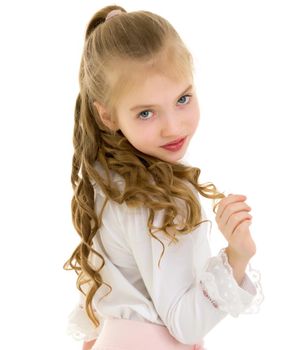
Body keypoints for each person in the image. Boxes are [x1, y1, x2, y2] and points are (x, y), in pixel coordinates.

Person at [63, 5, 263, 350]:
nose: (173, 126)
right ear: (107, 115)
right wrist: (237, 255)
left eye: (183, 98)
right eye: (146, 112)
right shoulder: (152, 199)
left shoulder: (111, 178)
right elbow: (184, 323)